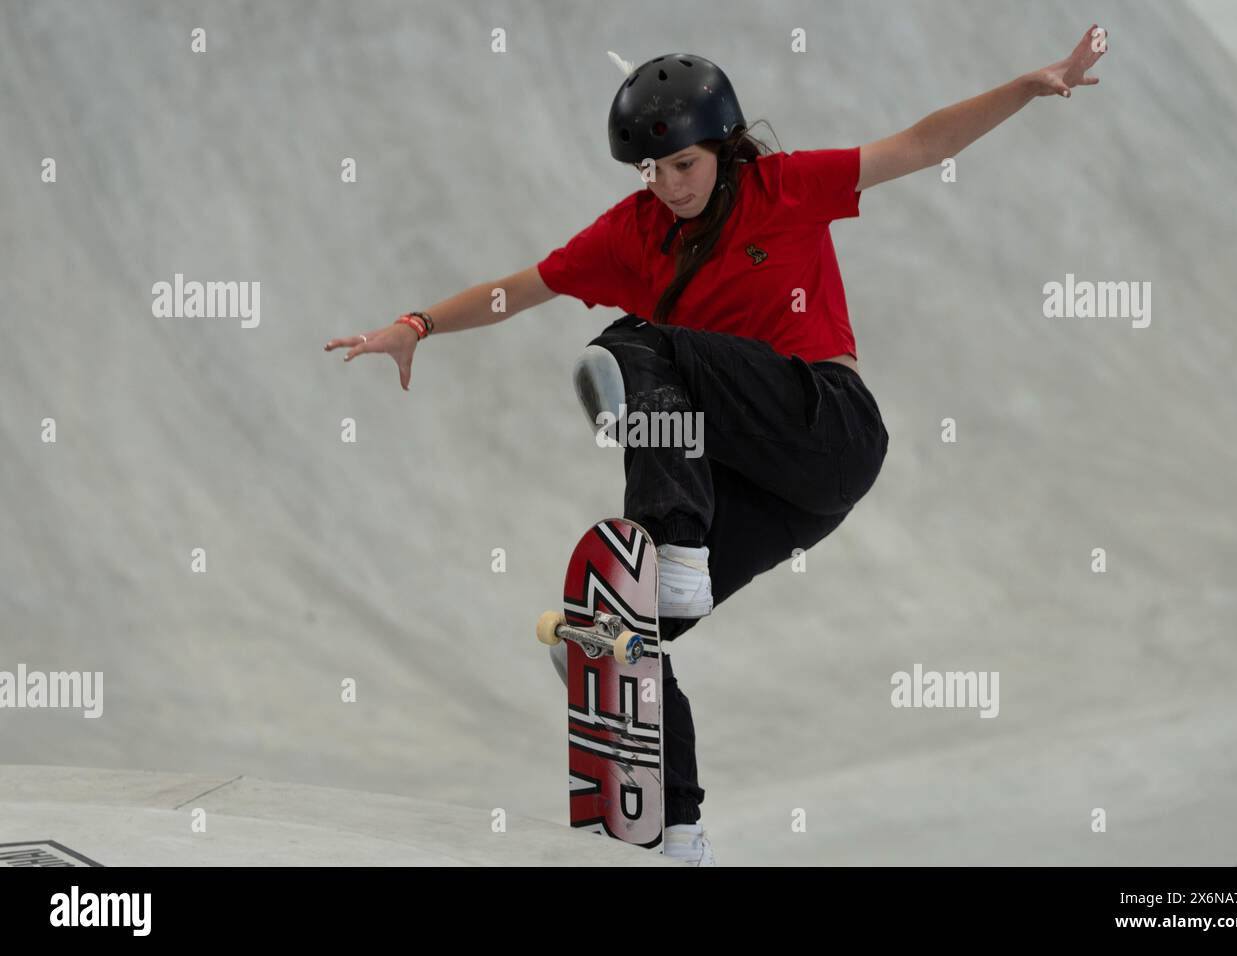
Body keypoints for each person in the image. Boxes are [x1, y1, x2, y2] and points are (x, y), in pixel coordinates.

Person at [326, 35, 1105, 866]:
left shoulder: (785, 185)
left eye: (684, 166)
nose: (667, 187)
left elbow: (922, 143)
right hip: (782, 494)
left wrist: (1026, 88)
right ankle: (678, 833)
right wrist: (416, 326)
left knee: (633, 348)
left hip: (831, 426)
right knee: (612, 639)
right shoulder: (634, 232)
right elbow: (520, 289)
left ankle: (677, 540)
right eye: (651, 173)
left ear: (725, 147)